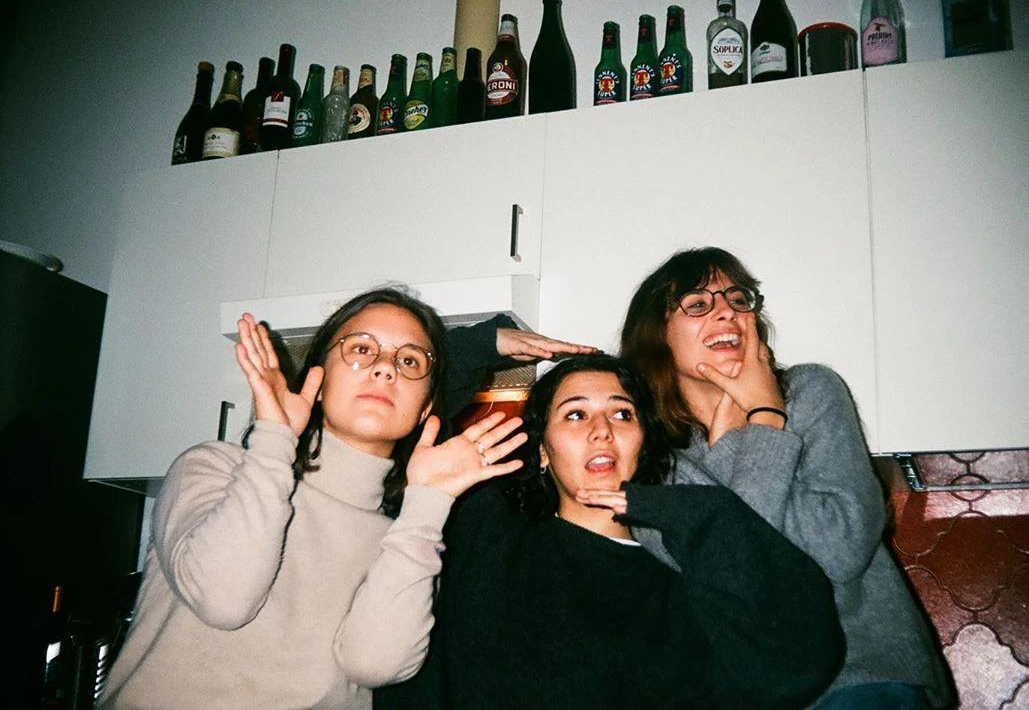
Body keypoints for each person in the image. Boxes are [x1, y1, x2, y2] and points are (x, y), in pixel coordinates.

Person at [99, 287, 533, 708]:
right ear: (318, 382)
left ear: (424, 410)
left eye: (409, 360)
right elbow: (223, 600)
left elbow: (375, 665)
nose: (386, 369)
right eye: (361, 349)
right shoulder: (214, 468)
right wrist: (274, 437)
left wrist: (429, 504)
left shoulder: (407, 536)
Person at [376, 354, 845, 709]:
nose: (602, 430)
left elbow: (798, 664)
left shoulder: (678, 582)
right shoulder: (487, 530)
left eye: (622, 414)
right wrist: (490, 340)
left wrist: (701, 512)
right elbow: (398, 401)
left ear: (644, 444)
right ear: (542, 451)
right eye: (575, 414)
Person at [617, 247, 954, 708]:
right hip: (747, 692)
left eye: (739, 299)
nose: (727, 313)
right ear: (656, 335)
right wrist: (762, 425)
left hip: (862, 675)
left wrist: (760, 422)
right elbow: (741, 572)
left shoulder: (809, 392)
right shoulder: (649, 462)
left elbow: (841, 549)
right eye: (697, 304)